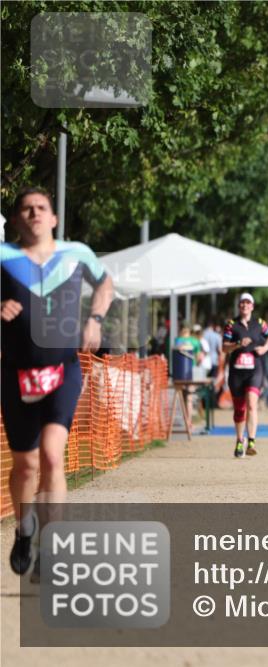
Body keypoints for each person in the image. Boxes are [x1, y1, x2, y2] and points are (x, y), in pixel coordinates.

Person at [1, 187, 114, 578]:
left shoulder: (77, 253)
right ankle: (25, 528)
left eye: (41, 208)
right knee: (25, 466)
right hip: (16, 373)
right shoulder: (3, 257)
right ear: (16, 219)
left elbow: (105, 284)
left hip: (63, 370)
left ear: (53, 218)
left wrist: (95, 319)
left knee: (52, 455)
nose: (33, 213)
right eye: (26, 209)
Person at [222, 292, 268, 458]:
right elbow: (224, 347)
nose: (245, 305)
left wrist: (265, 348)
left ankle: (251, 440)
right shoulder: (231, 325)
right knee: (240, 409)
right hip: (237, 373)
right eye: (242, 303)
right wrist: (238, 344)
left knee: (252, 404)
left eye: (248, 303)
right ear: (239, 306)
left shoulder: (259, 324)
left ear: (252, 306)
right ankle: (240, 441)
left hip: (255, 370)